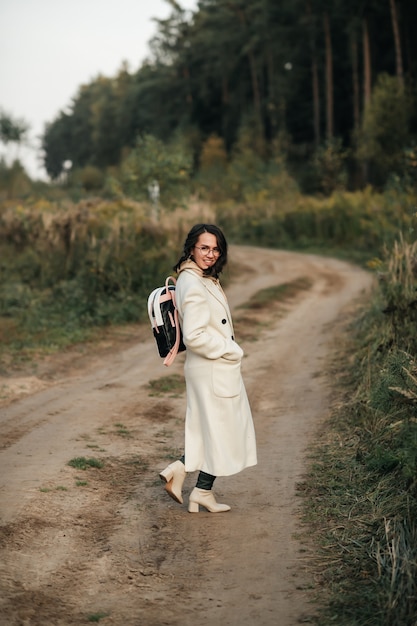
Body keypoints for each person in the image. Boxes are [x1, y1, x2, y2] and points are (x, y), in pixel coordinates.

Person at [159, 223, 257, 513]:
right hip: (213, 368)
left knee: (211, 431)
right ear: (191, 248)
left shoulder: (201, 278)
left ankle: (201, 491)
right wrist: (231, 350)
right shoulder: (192, 282)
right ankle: (181, 468)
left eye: (216, 249)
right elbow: (194, 336)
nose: (211, 254)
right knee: (224, 432)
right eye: (204, 247)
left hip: (211, 369)